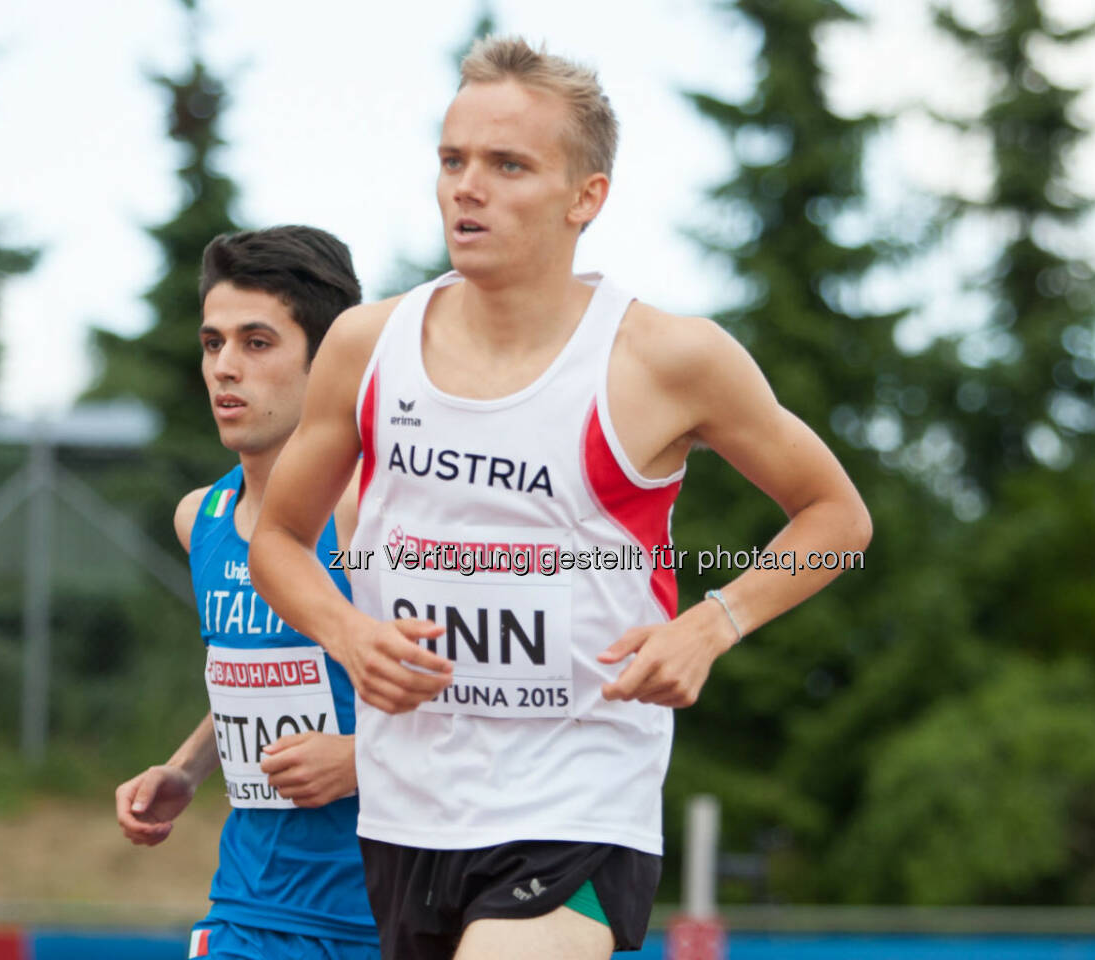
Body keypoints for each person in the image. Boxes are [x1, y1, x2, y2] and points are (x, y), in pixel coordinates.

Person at [249, 37, 872, 960]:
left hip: (582, 796)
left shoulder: (666, 359)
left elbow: (837, 518)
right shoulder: (367, 346)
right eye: (453, 161)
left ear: (587, 197)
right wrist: (350, 635)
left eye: (508, 165)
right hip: (410, 802)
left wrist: (713, 623)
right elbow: (279, 543)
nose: (469, 188)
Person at [114, 226, 380, 959]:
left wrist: (363, 758)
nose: (225, 368)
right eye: (212, 343)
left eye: (257, 343)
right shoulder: (201, 519)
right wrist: (187, 768)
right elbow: (261, 669)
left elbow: (486, 694)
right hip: (245, 908)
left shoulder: (373, 514)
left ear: (328, 362)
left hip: (377, 915)